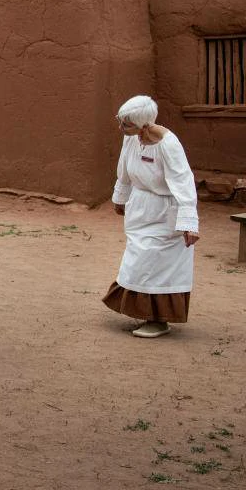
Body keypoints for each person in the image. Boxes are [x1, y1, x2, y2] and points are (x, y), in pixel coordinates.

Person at [103, 95, 199, 338]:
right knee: (138, 259)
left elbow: (184, 182)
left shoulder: (169, 144)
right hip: (141, 209)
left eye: (126, 124)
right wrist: (120, 197)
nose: (121, 128)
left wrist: (189, 223)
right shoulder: (132, 140)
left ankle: (158, 320)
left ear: (144, 125)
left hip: (166, 212)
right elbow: (124, 171)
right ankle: (147, 314)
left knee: (156, 263)